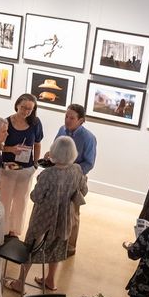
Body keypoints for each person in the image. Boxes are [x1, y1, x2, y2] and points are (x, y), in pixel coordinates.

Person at [9, 135, 87, 293]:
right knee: (58, 246)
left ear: (54, 152)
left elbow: (35, 197)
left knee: (31, 247)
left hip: (44, 219)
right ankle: (50, 280)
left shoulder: (47, 174)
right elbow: (83, 191)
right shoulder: (77, 170)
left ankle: (20, 283)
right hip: (64, 218)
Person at [53, 105, 97, 256]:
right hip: (58, 176)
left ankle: (70, 246)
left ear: (81, 120)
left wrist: (72, 171)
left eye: (72, 118)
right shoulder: (61, 130)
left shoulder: (88, 138)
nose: (67, 120)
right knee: (56, 209)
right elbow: (55, 150)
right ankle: (54, 240)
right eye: (66, 116)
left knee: (72, 212)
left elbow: (89, 163)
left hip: (75, 179)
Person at [0, 94, 44, 237]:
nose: (26, 111)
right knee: (4, 199)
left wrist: (35, 164)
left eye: (29, 109)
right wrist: (11, 149)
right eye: (24, 107)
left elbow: (37, 144)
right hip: (8, 168)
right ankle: (2, 229)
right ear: (17, 104)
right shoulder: (6, 122)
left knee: (21, 202)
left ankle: (14, 231)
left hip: (26, 169)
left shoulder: (35, 123)